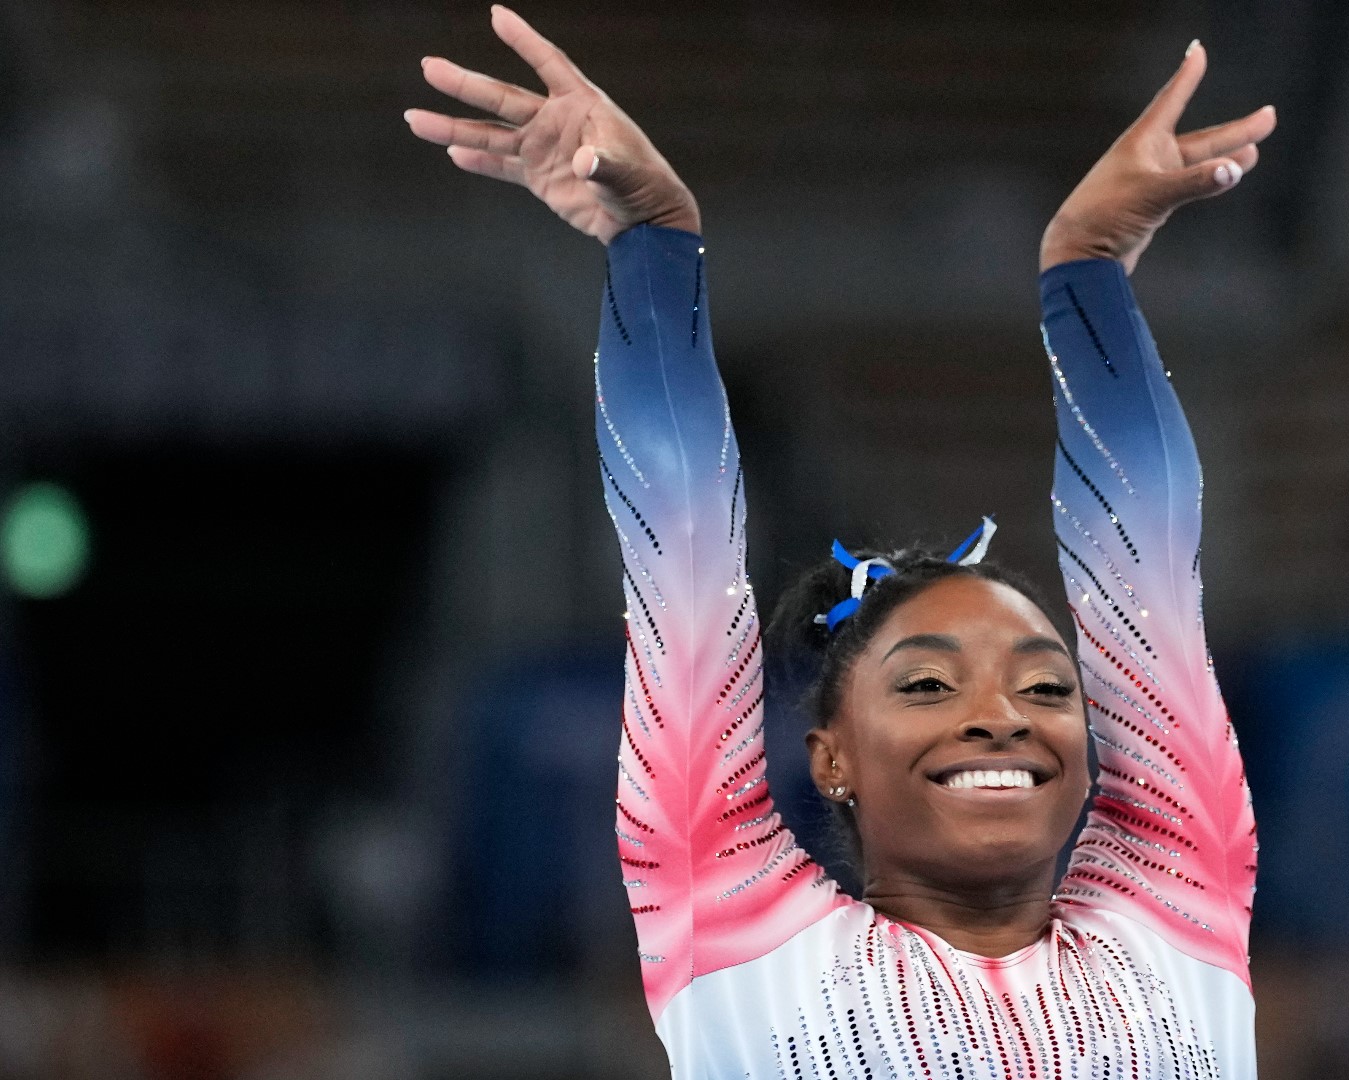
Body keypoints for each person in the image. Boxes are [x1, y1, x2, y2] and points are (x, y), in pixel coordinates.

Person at [407, 7, 1274, 1075]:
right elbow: (680, 551)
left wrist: (1088, 272)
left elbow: (1148, 561)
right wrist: (652, 245)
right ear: (830, 761)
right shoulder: (744, 943)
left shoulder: (1176, 919)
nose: (1001, 718)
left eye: (1048, 688)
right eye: (926, 687)